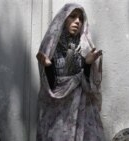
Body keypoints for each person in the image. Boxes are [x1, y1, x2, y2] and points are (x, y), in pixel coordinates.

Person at [36, 3, 105, 141]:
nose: (77, 21)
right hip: (58, 120)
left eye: (80, 18)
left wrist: (87, 64)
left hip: (82, 117)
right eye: (72, 17)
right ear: (63, 20)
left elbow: (86, 86)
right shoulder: (51, 49)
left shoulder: (82, 48)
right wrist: (48, 67)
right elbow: (53, 90)